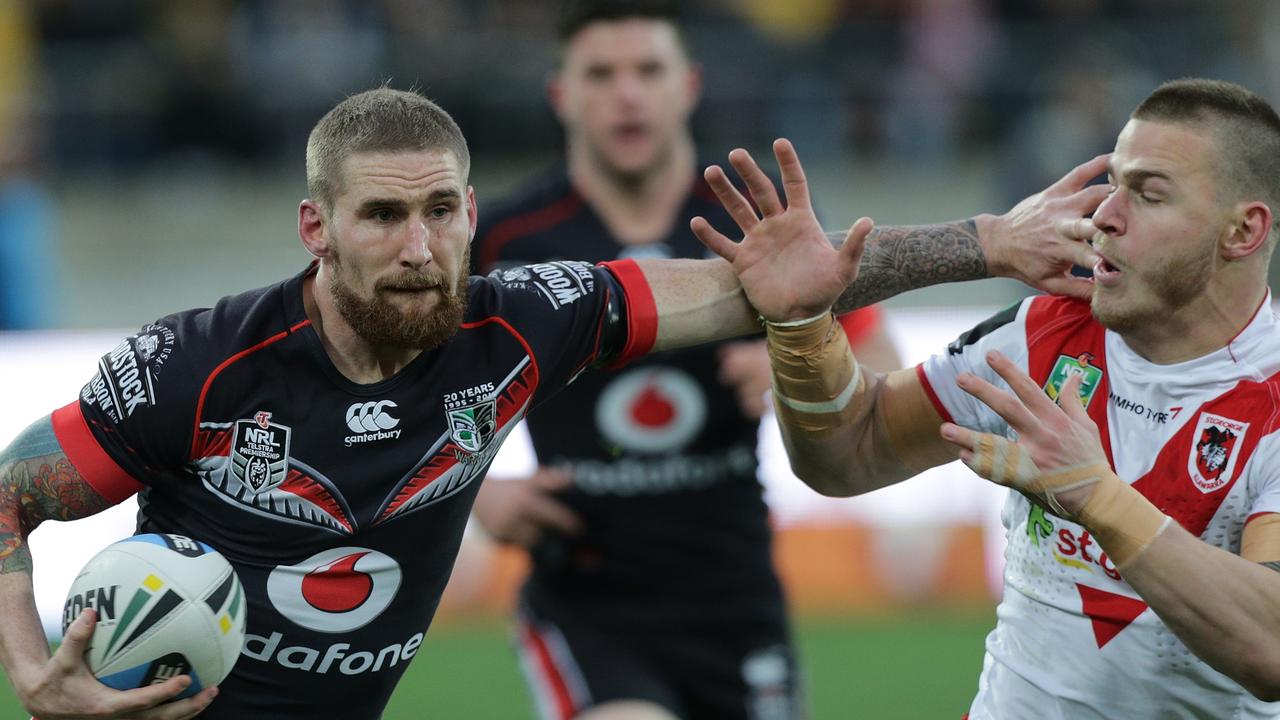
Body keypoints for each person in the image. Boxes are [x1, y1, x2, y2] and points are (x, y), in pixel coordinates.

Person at [0, 87, 1093, 719]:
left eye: (439, 212)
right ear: (314, 228)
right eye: (380, 217)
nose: (419, 247)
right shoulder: (199, 368)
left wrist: (988, 241)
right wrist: (28, 674)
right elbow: (8, 497)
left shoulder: (523, 322)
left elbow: (759, 287)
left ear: (472, 212)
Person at [715, 78, 1280, 719]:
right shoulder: (1044, 333)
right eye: (1113, 183)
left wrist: (1097, 498)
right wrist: (801, 327)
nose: (1106, 216)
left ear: (1243, 231)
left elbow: (1272, 649)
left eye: (1149, 195)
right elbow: (851, 452)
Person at [469, 3, 897, 719]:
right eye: (601, 74)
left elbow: (878, 356)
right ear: (561, 95)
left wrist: (805, 362)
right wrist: (478, 496)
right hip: (587, 598)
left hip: (734, 592)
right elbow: (413, 395)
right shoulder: (508, 239)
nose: (627, 93)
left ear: (688, 85)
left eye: (648, 70)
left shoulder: (756, 217)